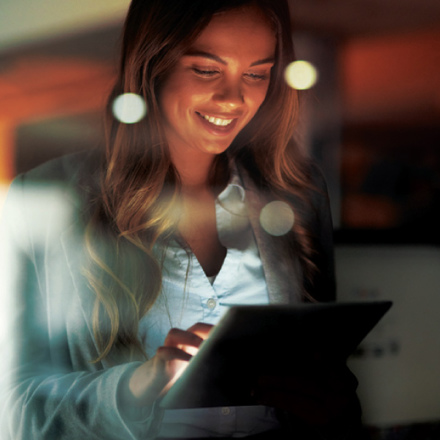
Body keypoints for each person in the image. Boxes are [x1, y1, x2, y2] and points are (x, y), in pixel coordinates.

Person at [0, 0, 365, 439]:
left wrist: (334, 406)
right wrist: (138, 386)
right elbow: (16, 412)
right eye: (206, 70)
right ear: (152, 64)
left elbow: (328, 382)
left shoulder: (299, 196)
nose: (234, 98)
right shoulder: (44, 200)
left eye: (256, 73)